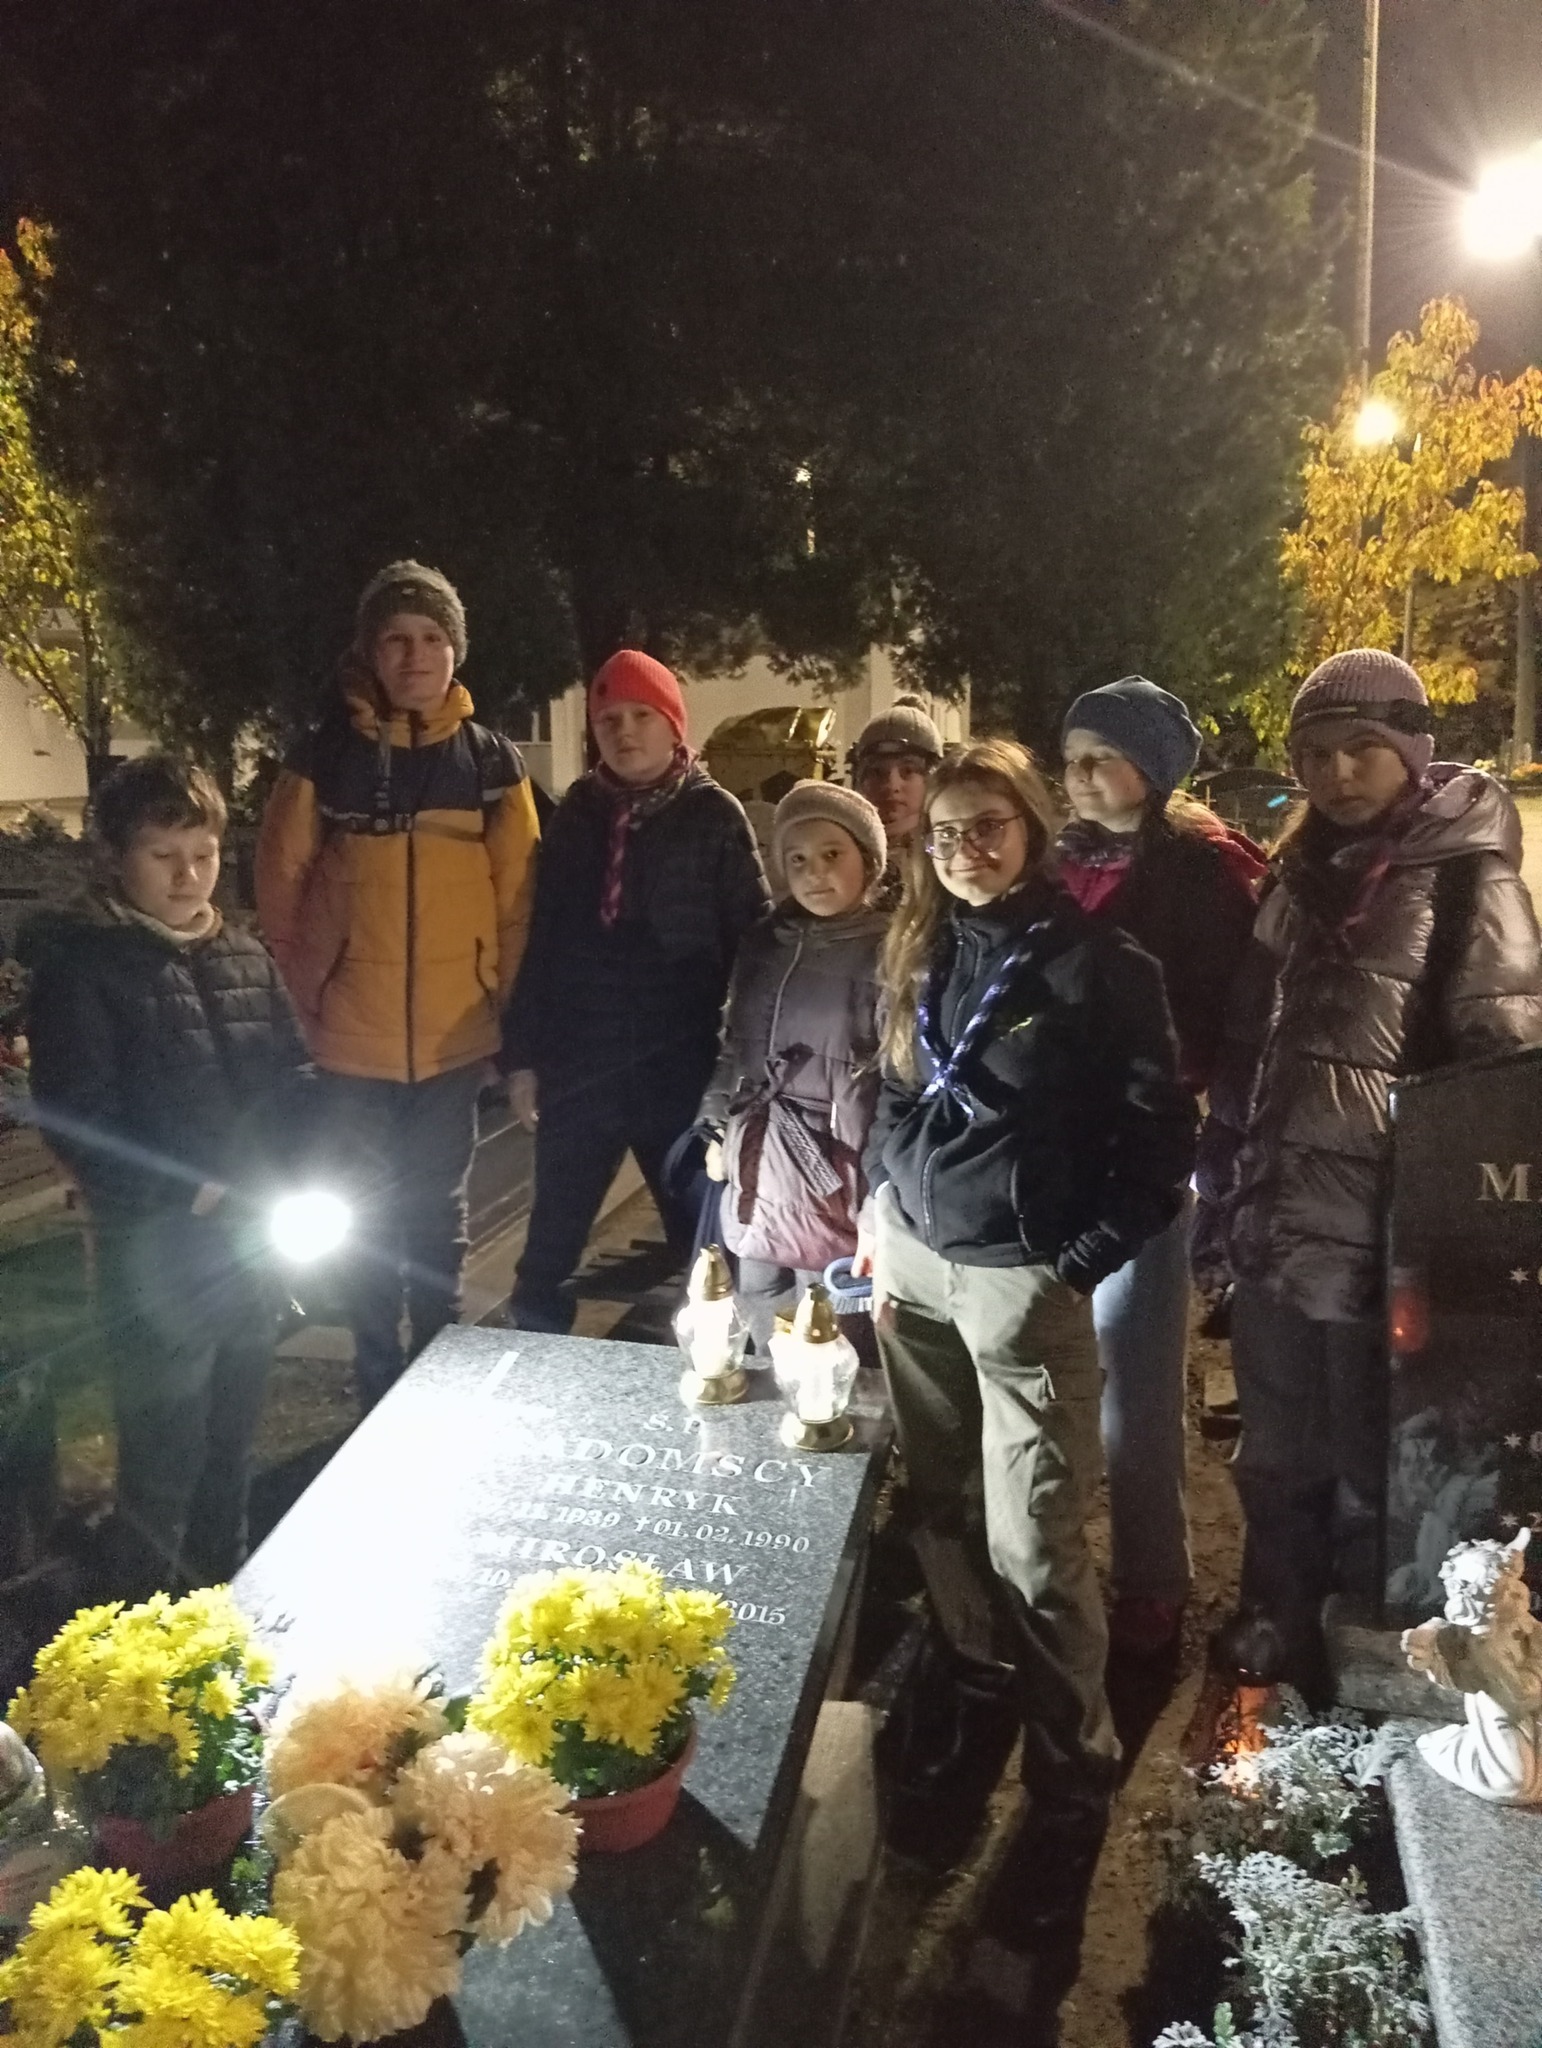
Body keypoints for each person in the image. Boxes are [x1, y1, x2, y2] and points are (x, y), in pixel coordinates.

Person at [857, 738, 1194, 2037]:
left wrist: (1076, 1258)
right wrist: (887, 1201)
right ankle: (975, 1676)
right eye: (943, 830)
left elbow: (1159, 1141)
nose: (962, 848)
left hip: (1020, 1283)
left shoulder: (1103, 966)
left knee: (1036, 1541)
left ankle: (1071, 1771)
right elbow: (894, 1087)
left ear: (1033, 829)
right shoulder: (921, 946)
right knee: (941, 1507)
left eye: (986, 825)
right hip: (918, 1268)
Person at [1198, 648, 1542, 1700]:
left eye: (1362, 749)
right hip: (1277, 1225)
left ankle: (1360, 1657)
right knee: (1275, 1448)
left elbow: (1501, 1067)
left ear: (1412, 749)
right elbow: (1248, 1047)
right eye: (1316, 754)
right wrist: (1223, 1187)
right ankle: (1277, 1617)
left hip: (1385, 1237)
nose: (1338, 773)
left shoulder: (1467, 874)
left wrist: (1455, 1235)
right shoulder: (1298, 877)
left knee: (1367, 1465)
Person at [21, 754, 310, 1597]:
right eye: (164, 856)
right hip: (157, 1260)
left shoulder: (245, 954)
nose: (190, 875)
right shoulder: (83, 968)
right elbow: (81, 1120)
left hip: (251, 1250)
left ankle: (222, 1605)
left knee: (230, 1450)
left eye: (204, 853)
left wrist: (316, 1150)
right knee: (162, 1467)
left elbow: (292, 1077)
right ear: (117, 858)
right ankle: (137, 1633)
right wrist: (193, 1190)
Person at [256, 561, 539, 1408]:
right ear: (370, 652)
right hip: (350, 1039)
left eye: (430, 638)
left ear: (455, 651)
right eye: (396, 639)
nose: (415, 655)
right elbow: (281, 888)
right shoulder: (323, 757)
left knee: (437, 1209)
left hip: (453, 1039)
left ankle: (439, 1365)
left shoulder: (491, 763)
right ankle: (376, 1371)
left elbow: (518, 902)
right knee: (367, 1212)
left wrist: (504, 1014)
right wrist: (308, 1003)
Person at [1057, 676, 1267, 1658]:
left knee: (1135, 1381)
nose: (1081, 777)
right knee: (1044, 1374)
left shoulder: (1205, 871)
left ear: (1152, 768)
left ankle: (1152, 1581)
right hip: (1049, 1147)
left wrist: (1203, 1128)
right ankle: (1046, 1568)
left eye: (1102, 758)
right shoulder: (1053, 860)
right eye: (1071, 759)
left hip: (1146, 1148)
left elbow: (1233, 1015)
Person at [503, 649, 770, 1333]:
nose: (624, 732)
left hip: (677, 1068)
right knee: (549, 1251)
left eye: (641, 716)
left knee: (704, 1249)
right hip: (581, 1065)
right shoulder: (578, 814)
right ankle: (532, 1366)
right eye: (609, 719)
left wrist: (745, 1068)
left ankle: (708, 1370)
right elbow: (543, 940)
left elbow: (753, 946)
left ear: (673, 724)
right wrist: (524, 1057)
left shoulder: (714, 815)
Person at [698, 781, 888, 1354]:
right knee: (761, 1304)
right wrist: (716, 1126)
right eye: (797, 859)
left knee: (830, 1323)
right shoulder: (765, 943)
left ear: (867, 860)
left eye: (832, 854)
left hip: (835, 1171)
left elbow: (899, 1076)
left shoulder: (890, 950)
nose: (815, 873)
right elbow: (735, 1045)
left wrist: (881, 1187)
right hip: (758, 1164)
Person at [852, 697, 944, 906]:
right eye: (877, 772)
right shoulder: (841, 853)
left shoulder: (948, 858)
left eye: (908, 771)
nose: (891, 785)